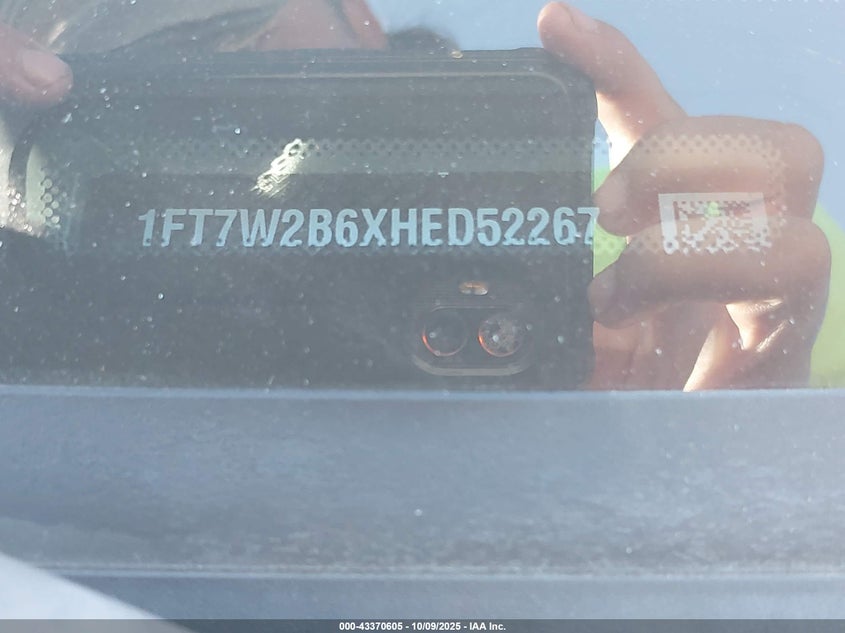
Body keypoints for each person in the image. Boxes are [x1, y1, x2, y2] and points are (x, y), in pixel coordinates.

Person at [0, 0, 839, 390]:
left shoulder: (685, 246)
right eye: (132, 86)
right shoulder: (32, 307)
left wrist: (718, 466)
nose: (208, 93)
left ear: (358, 16)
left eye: (231, 29)